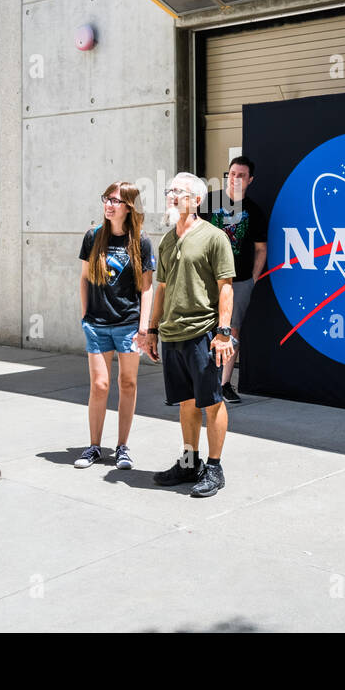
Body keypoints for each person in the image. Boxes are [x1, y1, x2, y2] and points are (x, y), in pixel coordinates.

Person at [136, 173, 236, 497]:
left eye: (177, 192)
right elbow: (161, 289)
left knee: (212, 403)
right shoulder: (166, 241)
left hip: (203, 334)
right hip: (172, 335)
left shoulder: (214, 238)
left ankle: (215, 467)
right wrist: (152, 330)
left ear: (196, 200)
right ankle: (190, 462)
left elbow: (226, 289)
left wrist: (223, 334)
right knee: (186, 402)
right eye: (169, 191)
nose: (170, 196)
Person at [74, 182, 155, 469]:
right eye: (106, 199)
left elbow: (147, 288)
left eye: (115, 201)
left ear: (128, 207)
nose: (108, 205)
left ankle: (122, 447)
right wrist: (85, 315)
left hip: (129, 325)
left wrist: (144, 327)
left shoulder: (141, 241)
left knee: (128, 383)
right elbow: (84, 278)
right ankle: (94, 446)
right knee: (100, 385)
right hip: (96, 324)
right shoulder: (93, 236)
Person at [201, 155, 267, 403]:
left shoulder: (254, 211)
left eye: (241, 175)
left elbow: (261, 248)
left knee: (232, 329)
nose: (235, 179)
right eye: (232, 174)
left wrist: (252, 279)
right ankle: (201, 381)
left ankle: (225, 384)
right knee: (202, 328)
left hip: (238, 281)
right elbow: (192, 232)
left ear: (250, 179)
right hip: (206, 279)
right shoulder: (210, 200)